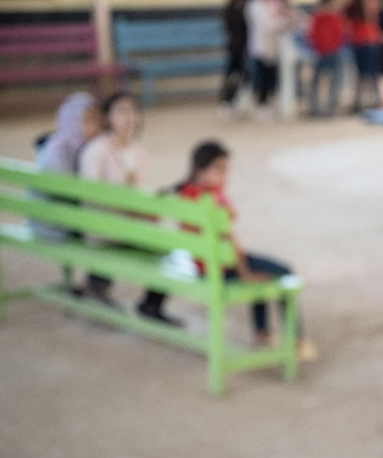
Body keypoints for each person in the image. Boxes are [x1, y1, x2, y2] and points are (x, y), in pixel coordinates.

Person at [176, 141, 317, 360]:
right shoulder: (211, 199)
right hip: (222, 266)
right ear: (199, 171)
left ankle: (262, 333)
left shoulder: (186, 192)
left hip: (204, 264)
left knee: (260, 270)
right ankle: (296, 340)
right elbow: (227, 239)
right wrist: (245, 274)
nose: (225, 176)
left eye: (226, 170)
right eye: (219, 169)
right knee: (283, 272)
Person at [79, 91, 181, 326]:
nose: (129, 117)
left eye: (134, 111)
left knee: (164, 239)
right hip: (103, 227)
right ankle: (142, 302)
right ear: (107, 117)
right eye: (121, 111)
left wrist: (145, 208)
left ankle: (145, 301)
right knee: (163, 241)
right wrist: (133, 211)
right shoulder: (97, 150)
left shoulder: (137, 152)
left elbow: (135, 194)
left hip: (124, 225)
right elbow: (91, 196)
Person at [31, 92, 101, 243]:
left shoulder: (80, 145)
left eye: (96, 120)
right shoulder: (59, 149)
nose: (95, 127)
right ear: (71, 120)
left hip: (64, 217)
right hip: (51, 224)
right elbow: (68, 192)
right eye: (88, 120)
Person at [245, 0, 293, 120]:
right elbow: (265, 24)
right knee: (263, 78)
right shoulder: (255, 6)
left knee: (270, 77)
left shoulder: (269, 4)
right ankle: (261, 105)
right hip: (261, 47)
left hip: (272, 47)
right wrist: (284, 22)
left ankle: (265, 104)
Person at [307, 0, 346, 117]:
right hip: (321, 53)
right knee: (316, 81)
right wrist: (317, 48)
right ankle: (314, 108)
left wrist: (334, 47)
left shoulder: (335, 17)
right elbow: (312, 35)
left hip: (333, 53)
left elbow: (340, 34)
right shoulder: (317, 18)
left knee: (335, 81)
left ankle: (331, 108)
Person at [346, 0, 382, 112]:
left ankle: (364, 102)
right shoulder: (360, 5)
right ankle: (371, 101)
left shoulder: (354, 6)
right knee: (370, 74)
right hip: (368, 41)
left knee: (364, 75)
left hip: (364, 41)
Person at [219, 0, 249, 115]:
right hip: (235, 47)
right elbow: (229, 29)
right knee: (232, 75)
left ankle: (237, 101)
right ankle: (227, 100)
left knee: (244, 76)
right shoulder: (231, 9)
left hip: (246, 47)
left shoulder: (248, 6)